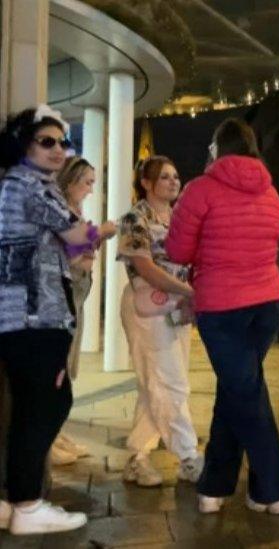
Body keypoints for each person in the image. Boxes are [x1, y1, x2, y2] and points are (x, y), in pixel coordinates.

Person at [0, 105, 115, 534]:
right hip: (35, 316)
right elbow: (78, 236)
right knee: (47, 405)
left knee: (30, 407)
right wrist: (105, 230)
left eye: (62, 142)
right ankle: (28, 505)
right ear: (22, 143)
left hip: (22, 314)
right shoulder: (32, 186)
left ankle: (15, 502)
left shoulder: (17, 185)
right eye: (46, 141)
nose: (58, 150)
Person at [166, 118, 279, 513]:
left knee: (245, 392)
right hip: (269, 302)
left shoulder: (200, 189)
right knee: (237, 390)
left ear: (217, 149)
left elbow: (178, 250)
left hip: (223, 306)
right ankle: (215, 487)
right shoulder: (272, 193)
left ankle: (274, 489)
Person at [117, 156, 201, 487]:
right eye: (164, 177)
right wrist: (188, 290)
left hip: (178, 305)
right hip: (147, 305)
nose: (173, 181)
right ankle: (188, 456)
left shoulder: (180, 218)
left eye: (176, 176)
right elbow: (145, 266)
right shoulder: (133, 218)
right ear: (147, 184)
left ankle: (138, 457)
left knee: (155, 382)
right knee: (170, 381)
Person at [49, 156, 100, 466]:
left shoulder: (76, 213)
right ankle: (49, 438)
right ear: (70, 182)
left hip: (77, 295)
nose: (91, 189)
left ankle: (56, 433)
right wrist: (89, 248)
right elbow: (62, 259)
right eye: (87, 182)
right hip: (61, 299)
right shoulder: (60, 215)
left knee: (68, 367)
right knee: (59, 368)